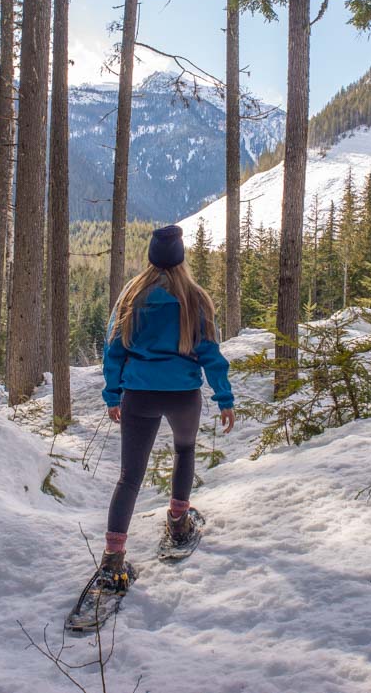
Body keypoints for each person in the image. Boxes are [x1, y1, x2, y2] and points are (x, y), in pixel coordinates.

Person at [96, 224, 235, 594]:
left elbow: (114, 350)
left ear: (151, 257)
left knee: (129, 476)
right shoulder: (195, 298)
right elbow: (211, 353)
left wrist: (113, 394)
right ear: (181, 257)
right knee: (184, 450)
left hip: (139, 394)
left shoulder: (132, 296)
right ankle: (177, 521)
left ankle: (113, 558)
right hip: (182, 394)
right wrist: (224, 397)